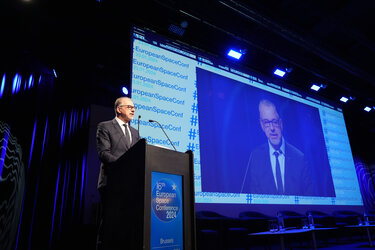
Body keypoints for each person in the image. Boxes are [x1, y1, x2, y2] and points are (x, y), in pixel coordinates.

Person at [240, 99, 314, 196]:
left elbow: (309, 197)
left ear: (280, 123)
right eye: (266, 122)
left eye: (274, 122)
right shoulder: (255, 156)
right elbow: (254, 195)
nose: (272, 128)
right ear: (262, 125)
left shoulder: (299, 158)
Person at [95, 96, 140, 250]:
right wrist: (124, 165)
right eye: (129, 107)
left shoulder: (135, 133)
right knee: (109, 225)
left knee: (127, 227)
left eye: (134, 107)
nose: (133, 109)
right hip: (111, 184)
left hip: (130, 186)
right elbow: (104, 154)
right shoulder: (105, 126)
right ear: (119, 109)